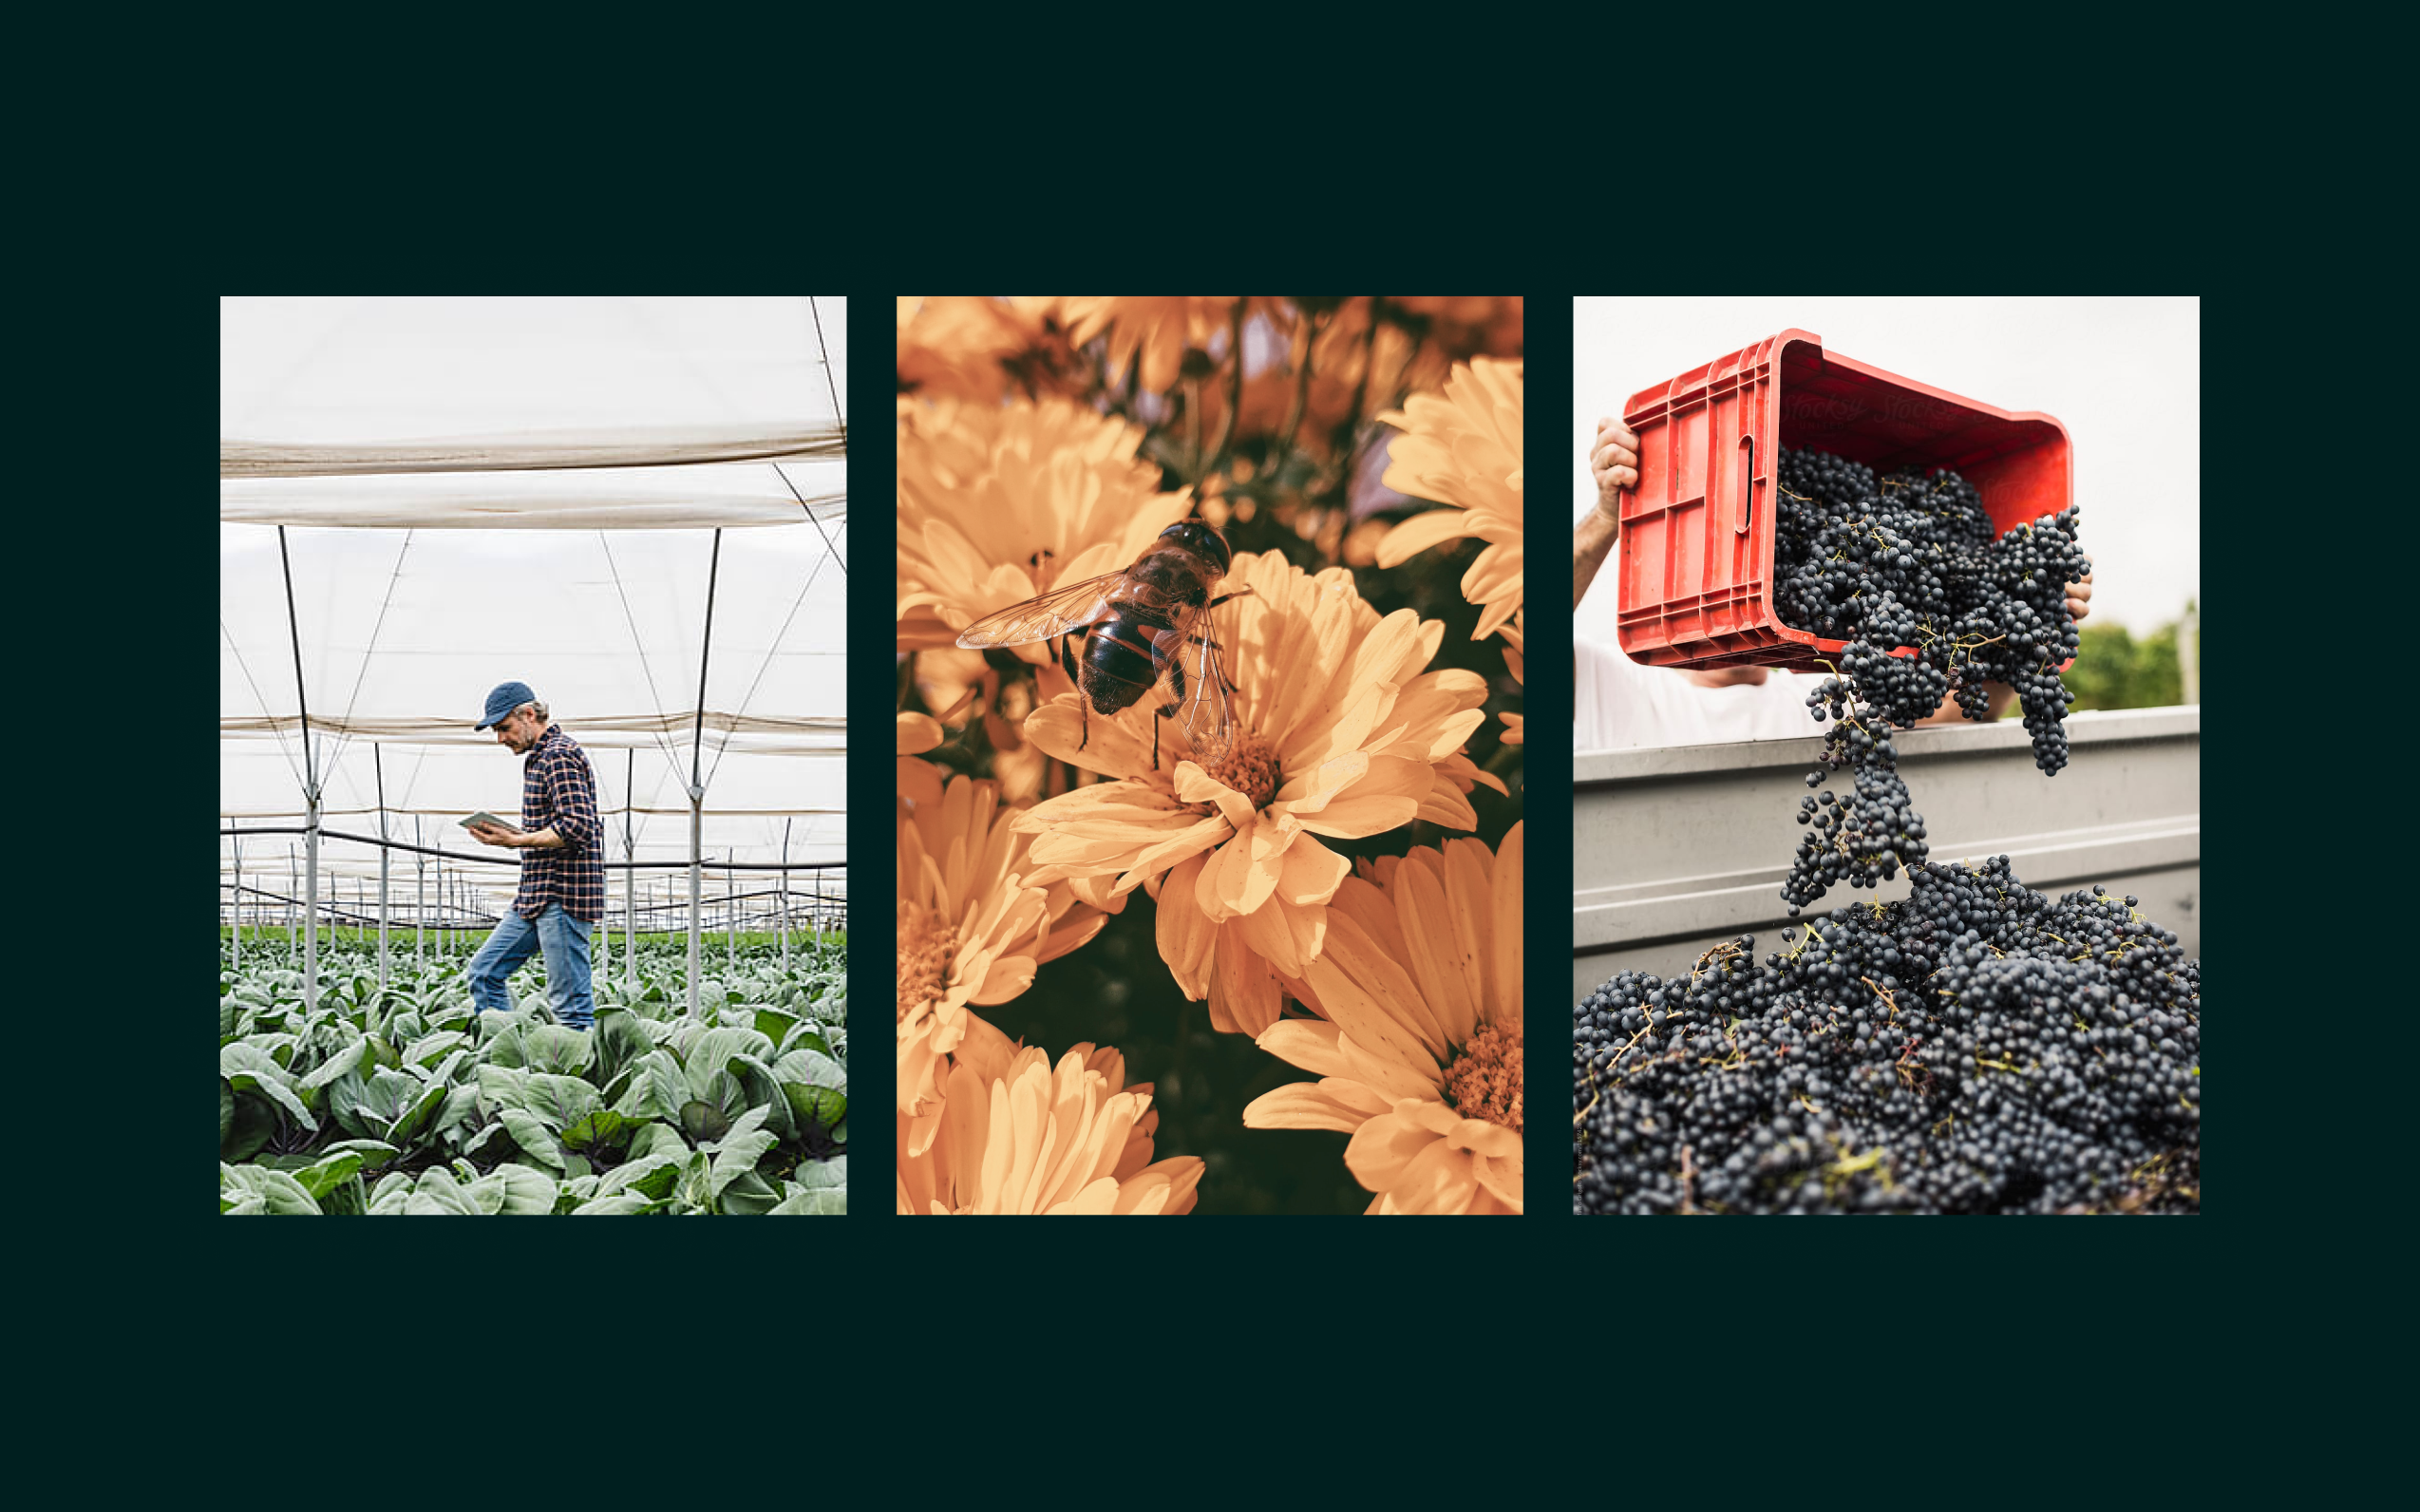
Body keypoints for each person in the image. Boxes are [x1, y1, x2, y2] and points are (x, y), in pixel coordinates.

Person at [1576, 417, 2092, 750]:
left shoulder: (1827, 695)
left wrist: (2022, 630)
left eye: (1763, 552)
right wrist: (1606, 516)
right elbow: (1505, 627)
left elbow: (1965, 711)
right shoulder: (1617, 685)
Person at [464, 681, 603, 1030]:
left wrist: (516, 841)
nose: (500, 739)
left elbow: (578, 826)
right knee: (485, 972)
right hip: (534, 896)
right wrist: (514, 837)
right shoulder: (539, 759)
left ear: (528, 715)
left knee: (570, 1008)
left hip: (562, 895)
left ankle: (575, 1080)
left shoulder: (558, 755)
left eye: (504, 728)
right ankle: (511, 1055)